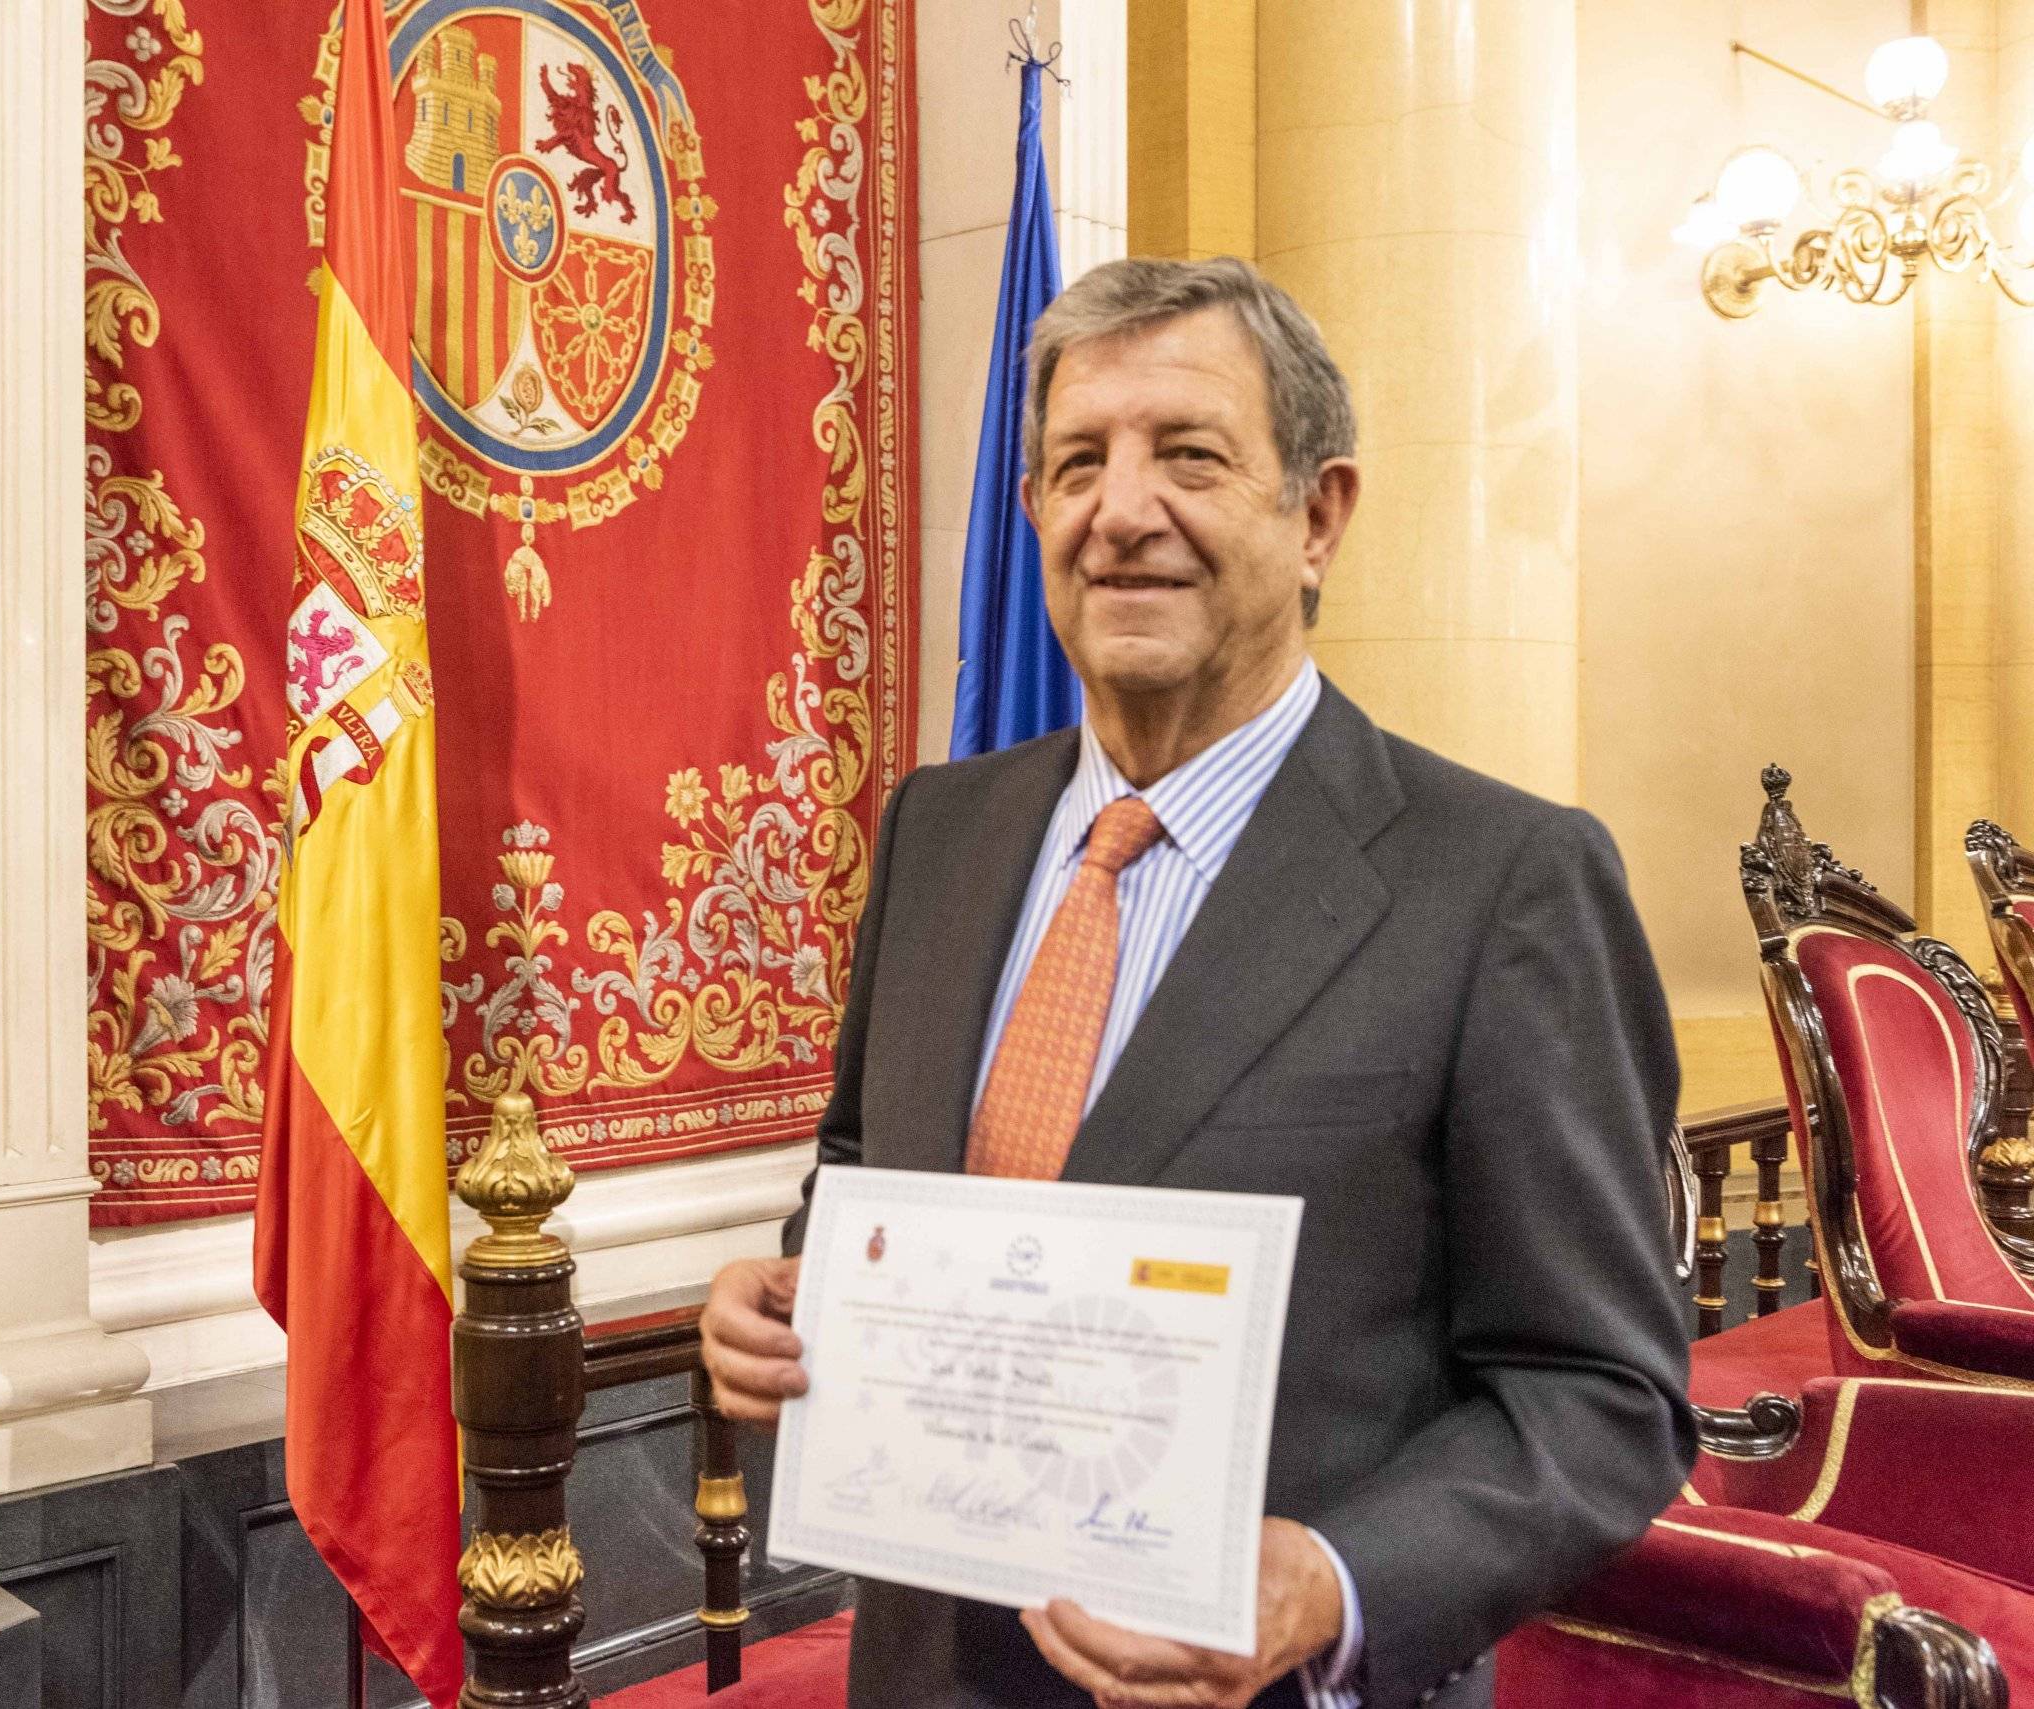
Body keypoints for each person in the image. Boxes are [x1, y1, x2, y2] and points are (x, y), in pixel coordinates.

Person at [699, 257, 1693, 1709]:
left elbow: (1603, 1394)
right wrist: (787, 1301)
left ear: (1319, 516)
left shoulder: (1503, 881)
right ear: (1033, 508)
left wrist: (1335, 1578)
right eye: (1076, 464)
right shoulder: (939, 828)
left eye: (1191, 456)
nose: (1122, 511)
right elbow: (860, 1171)